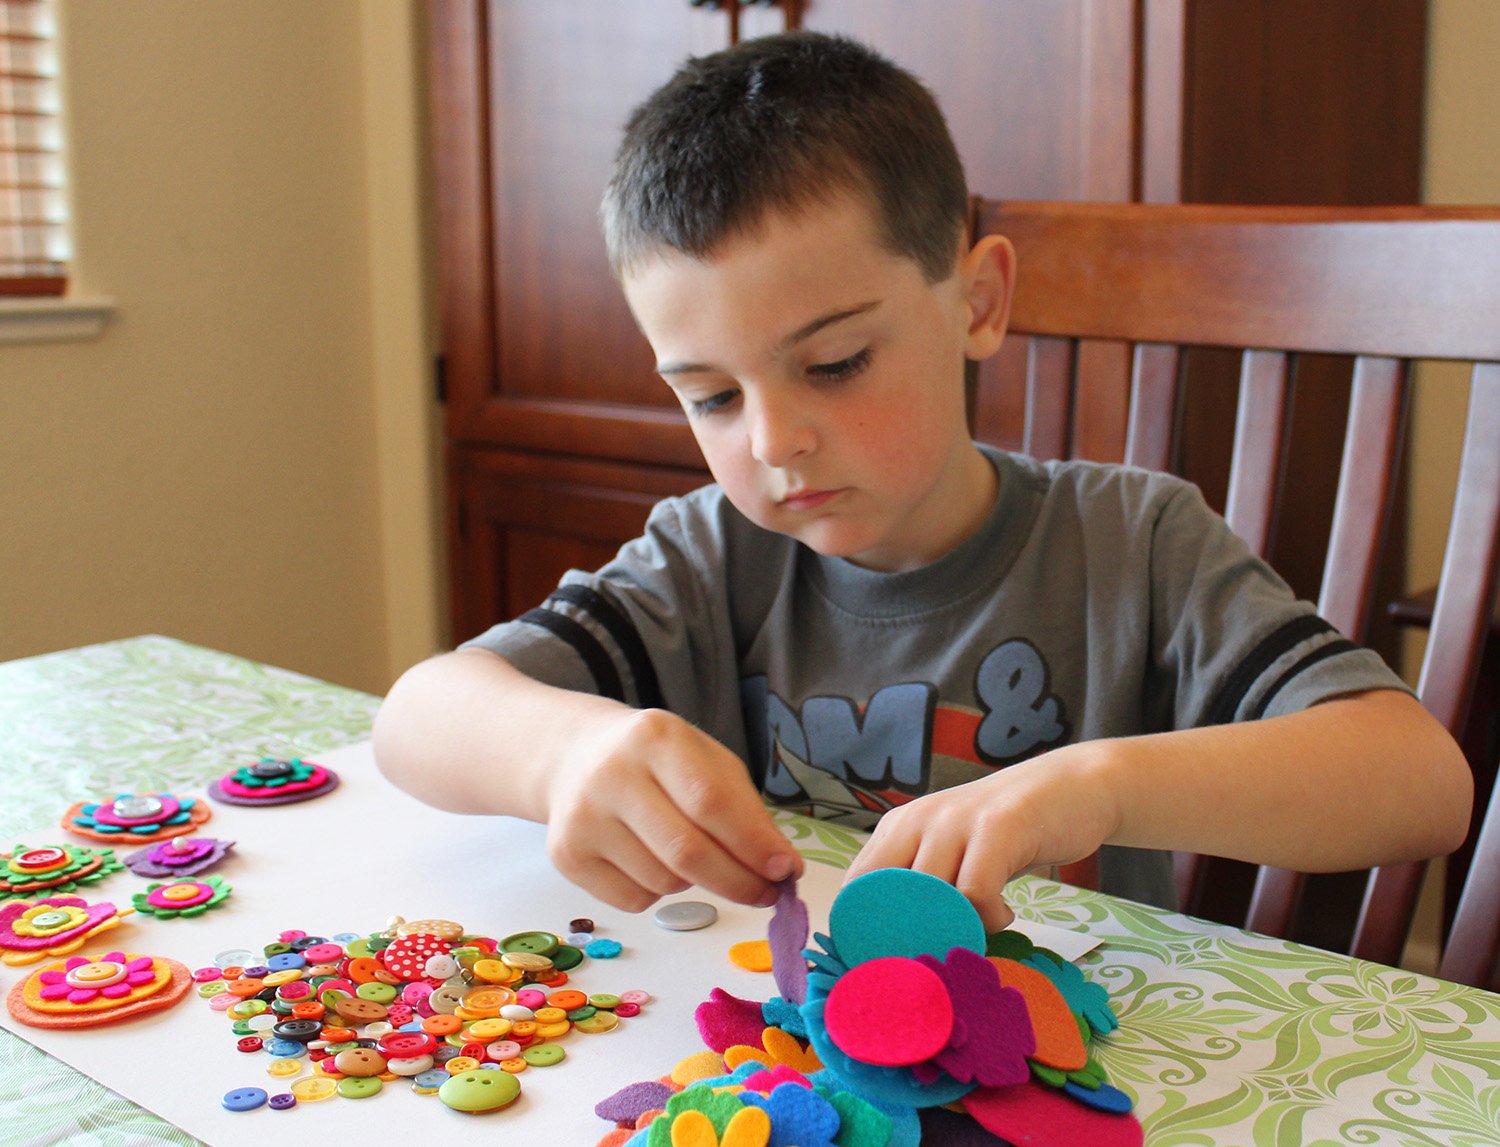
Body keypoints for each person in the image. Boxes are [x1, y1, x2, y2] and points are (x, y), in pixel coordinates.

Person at [374, 31, 1470, 933]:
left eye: (836, 363)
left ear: (978, 302)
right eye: (710, 396)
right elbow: (418, 718)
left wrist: (1099, 785)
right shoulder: (709, 559)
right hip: (783, 1066)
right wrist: (566, 751)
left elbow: (1421, 782)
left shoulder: (1132, 545)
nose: (774, 441)